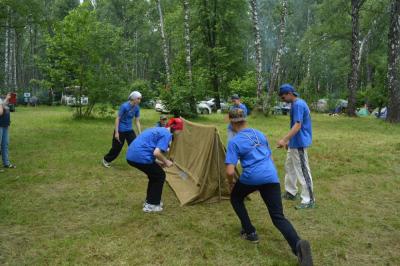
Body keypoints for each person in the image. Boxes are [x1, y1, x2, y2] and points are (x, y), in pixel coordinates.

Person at [225, 108, 313, 265]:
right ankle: (298, 245)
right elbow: (270, 158)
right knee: (278, 217)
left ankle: (250, 232)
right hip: (271, 176)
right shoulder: (260, 134)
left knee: (236, 198)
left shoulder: (234, 142)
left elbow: (230, 171)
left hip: (252, 177)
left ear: (231, 122)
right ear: (245, 119)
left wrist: (231, 183)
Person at [277, 84, 315, 210]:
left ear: (289, 93)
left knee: (303, 171)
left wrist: (284, 139)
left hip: (300, 143)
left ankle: (309, 199)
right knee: (290, 167)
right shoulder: (295, 103)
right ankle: (291, 192)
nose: (283, 100)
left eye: (283, 97)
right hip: (294, 142)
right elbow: (294, 125)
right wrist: (289, 141)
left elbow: (298, 126)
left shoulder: (298, 104)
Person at [126, 127, 174, 213]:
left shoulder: (159, 129)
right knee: (160, 176)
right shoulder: (167, 134)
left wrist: (159, 162)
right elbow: (157, 153)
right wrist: (166, 161)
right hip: (138, 156)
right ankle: (152, 205)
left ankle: (150, 201)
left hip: (132, 154)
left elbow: (148, 148)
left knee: (154, 176)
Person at [102, 91, 142, 168]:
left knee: (135, 145)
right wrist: (117, 132)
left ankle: (137, 161)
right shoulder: (124, 106)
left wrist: (140, 133)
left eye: (140, 99)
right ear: (133, 98)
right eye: (138, 99)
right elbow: (118, 119)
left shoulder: (137, 107)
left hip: (129, 130)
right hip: (120, 130)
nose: (139, 100)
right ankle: (106, 159)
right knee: (117, 148)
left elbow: (137, 121)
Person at [0, 93, 16, 168]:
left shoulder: (2, 99)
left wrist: (8, 100)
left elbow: (7, 110)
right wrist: (6, 99)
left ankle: (6, 163)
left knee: (5, 144)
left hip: (5, 125)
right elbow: (0, 112)